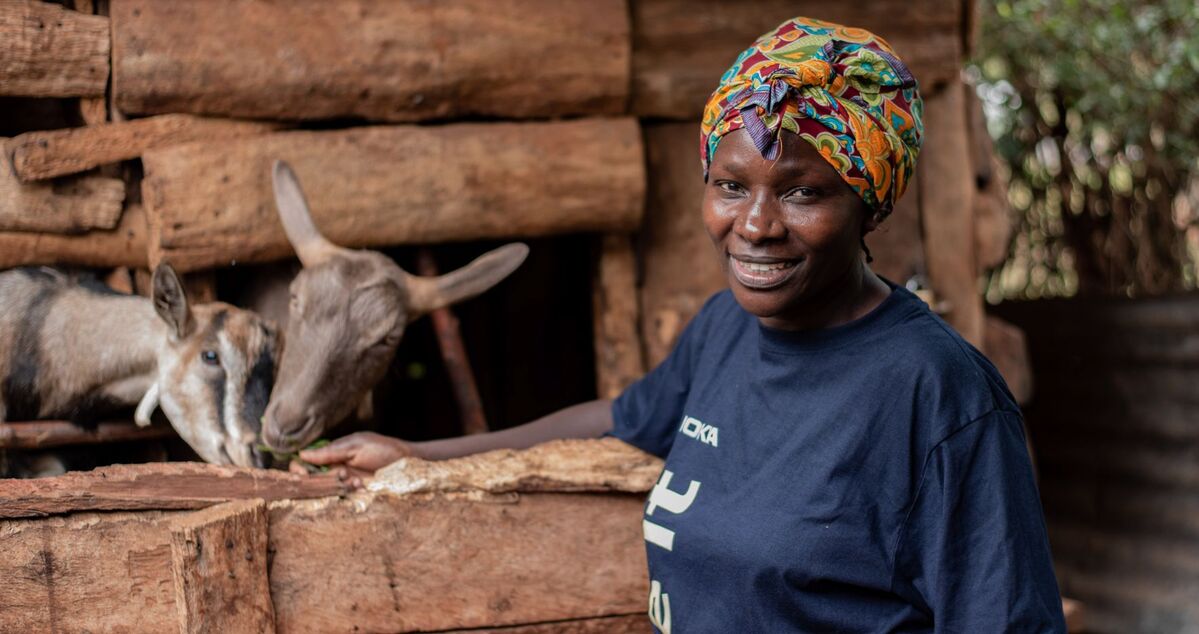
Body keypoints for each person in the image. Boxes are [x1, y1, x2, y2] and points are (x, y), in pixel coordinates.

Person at [302, 17, 1066, 632]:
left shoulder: (938, 398)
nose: (755, 225)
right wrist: (416, 455)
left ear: (872, 203)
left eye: (801, 194)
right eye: (730, 185)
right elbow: (623, 418)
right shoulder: (725, 330)